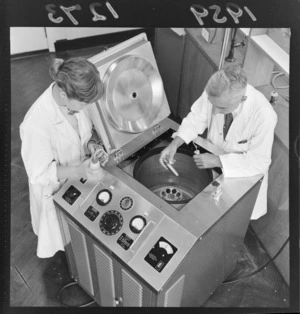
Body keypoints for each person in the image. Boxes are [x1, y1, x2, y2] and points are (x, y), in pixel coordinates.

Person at [159, 64, 277, 220]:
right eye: (212, 105)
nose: (214, 112)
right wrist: (174, 144)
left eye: (221, 108)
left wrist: (218, 160)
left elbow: (259, 161)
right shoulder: (215, 92)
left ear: (243, 99)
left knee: (233, 220)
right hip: (214, 162)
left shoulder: (264, 115)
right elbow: (196, 118)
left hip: (242, 174)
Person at [20, 57, 108, 258]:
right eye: (84, 104)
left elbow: (85, 133)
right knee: (62, 237)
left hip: (79, 179)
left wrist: (92, 145)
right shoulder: (35, 123)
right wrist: (80, 171)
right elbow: (40, 174)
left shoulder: (75, 101)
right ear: (63, 94)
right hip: (55, 190)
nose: (86, 108)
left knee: (79, 230)